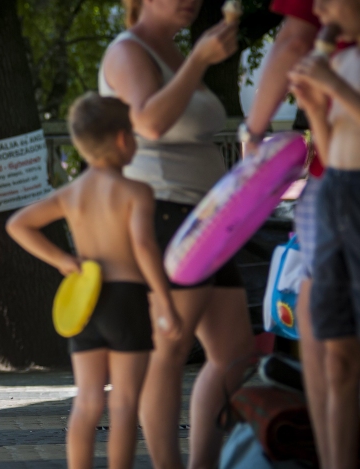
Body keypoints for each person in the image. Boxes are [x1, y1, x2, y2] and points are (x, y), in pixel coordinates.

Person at [100, 2, 255, 467]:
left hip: (206, 220)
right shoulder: (129, 51)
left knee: (234, 355)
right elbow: (149, 122)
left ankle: (201, 463)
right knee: (169, 350)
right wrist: (200, 62)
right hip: (165, 216)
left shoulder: (173, 50)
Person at [7, 93, 181, 469]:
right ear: (122, 140)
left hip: (86, 301)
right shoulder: (137, 191)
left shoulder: (72, 193)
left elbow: (18, 224)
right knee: (123, 404)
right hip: (126, 300)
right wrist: (166, 303)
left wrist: (64, 261)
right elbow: (145, 246)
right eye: (134, 135)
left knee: (87, 401)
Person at [241, 1, 332, 465]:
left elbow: (294, 37)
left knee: (327, 329)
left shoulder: (332, 46)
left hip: (341, 184)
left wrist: (255, 133)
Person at [289, 1, 360, 466]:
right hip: (337, 189)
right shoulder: (341, 56)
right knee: (336, 351)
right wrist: (316, 108)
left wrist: (332, 86)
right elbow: (332, 146)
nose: (317, 9)